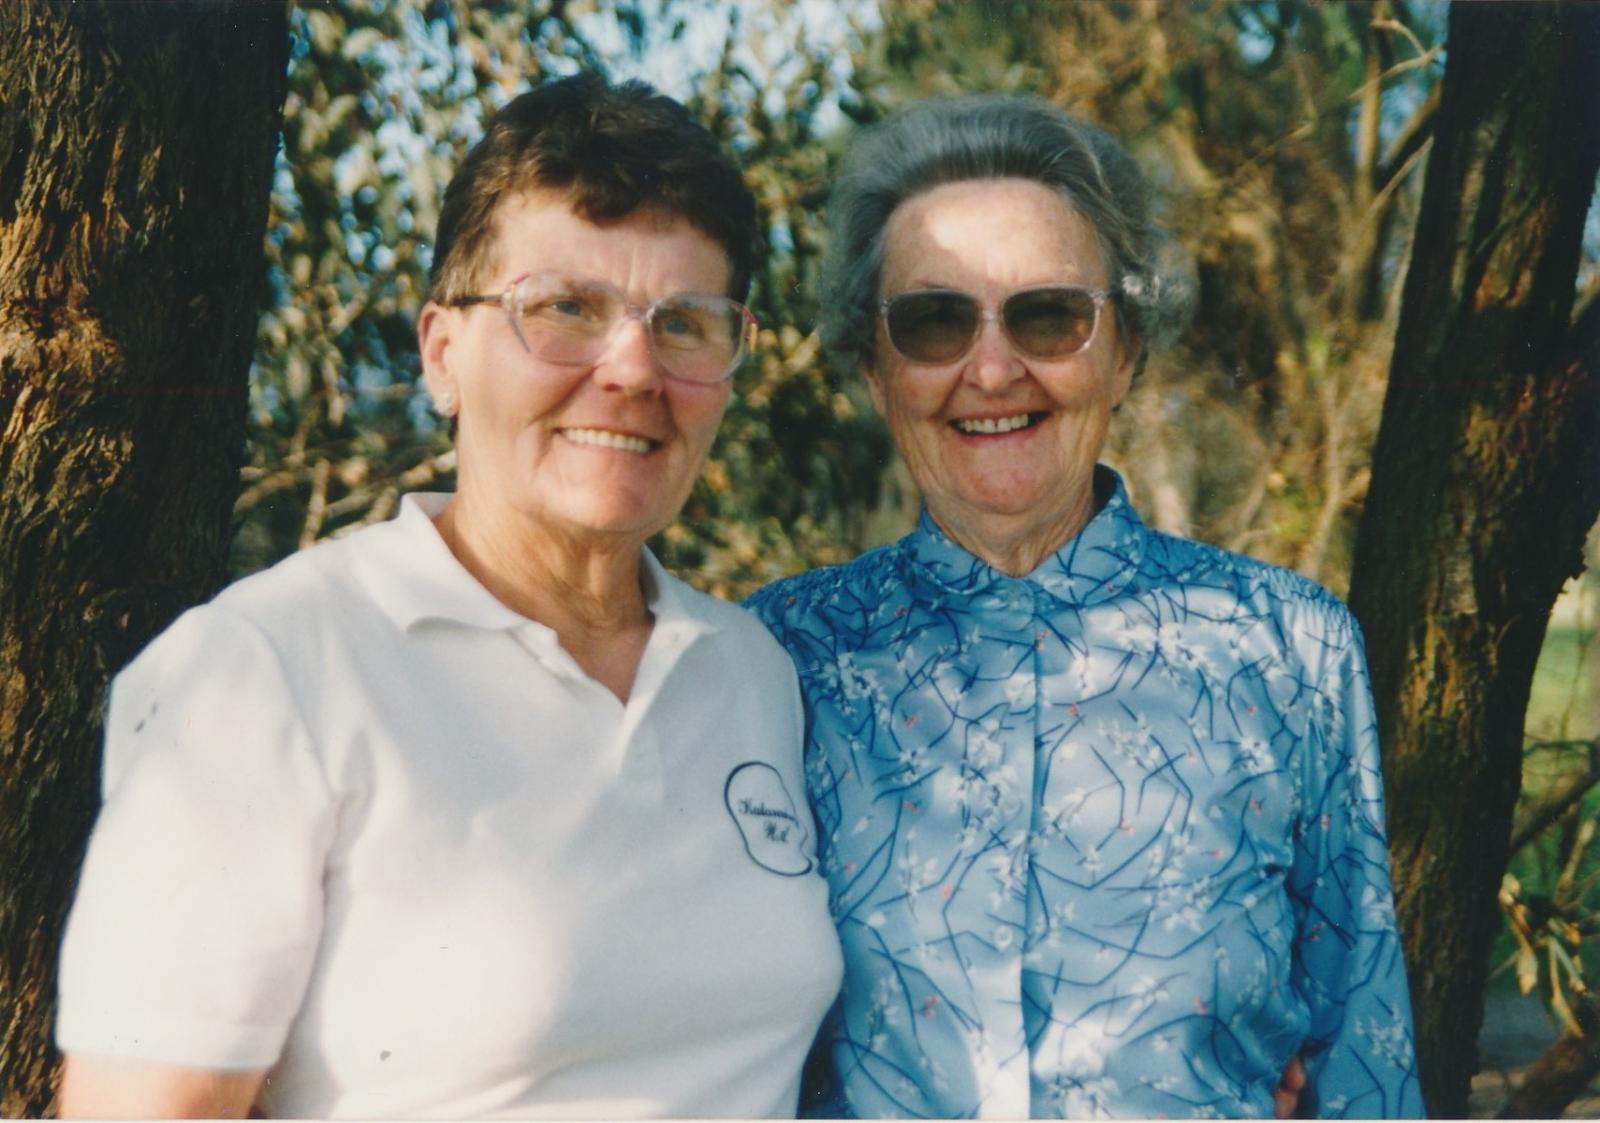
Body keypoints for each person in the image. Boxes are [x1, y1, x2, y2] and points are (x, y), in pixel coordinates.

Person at [55, 73, 842, 1119]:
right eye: (565, 308)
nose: (631, 368)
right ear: (441, 353)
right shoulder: (268, 669)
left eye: (685, 322)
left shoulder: (749, 669)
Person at [747, 93, 1424, 1118]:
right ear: (875, 369)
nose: (991, 367)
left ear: (1124, 350)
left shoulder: (1290, 648)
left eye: (1048, 313)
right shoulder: (773, 660)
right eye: (932, 320)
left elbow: (1361, 1057)